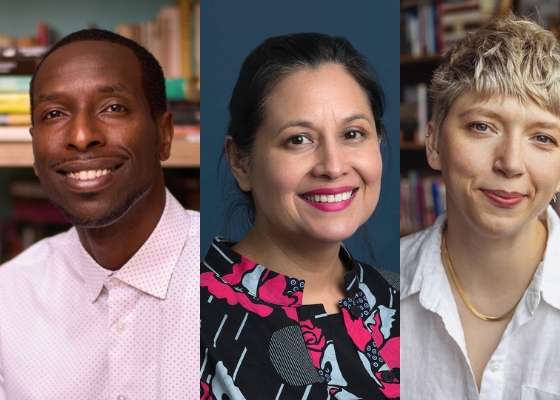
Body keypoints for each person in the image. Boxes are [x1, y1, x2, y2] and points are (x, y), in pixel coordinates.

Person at [400, 14, 560, 399]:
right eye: (482, 126)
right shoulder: (374, 292)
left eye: (542, 138)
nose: (510, 163)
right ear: (434, 142)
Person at [0, 29, 199, 399]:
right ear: (34, 147)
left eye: (113, 108)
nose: (80, 135)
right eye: (54, 113)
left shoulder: (251, 281)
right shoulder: (8, 298)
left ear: (164, 135)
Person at [199, 33, 399, 400]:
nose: (334, 167)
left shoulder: (400, 297)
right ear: (240, 162)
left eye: (353, 134)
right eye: (299, 140)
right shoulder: (192, 325)